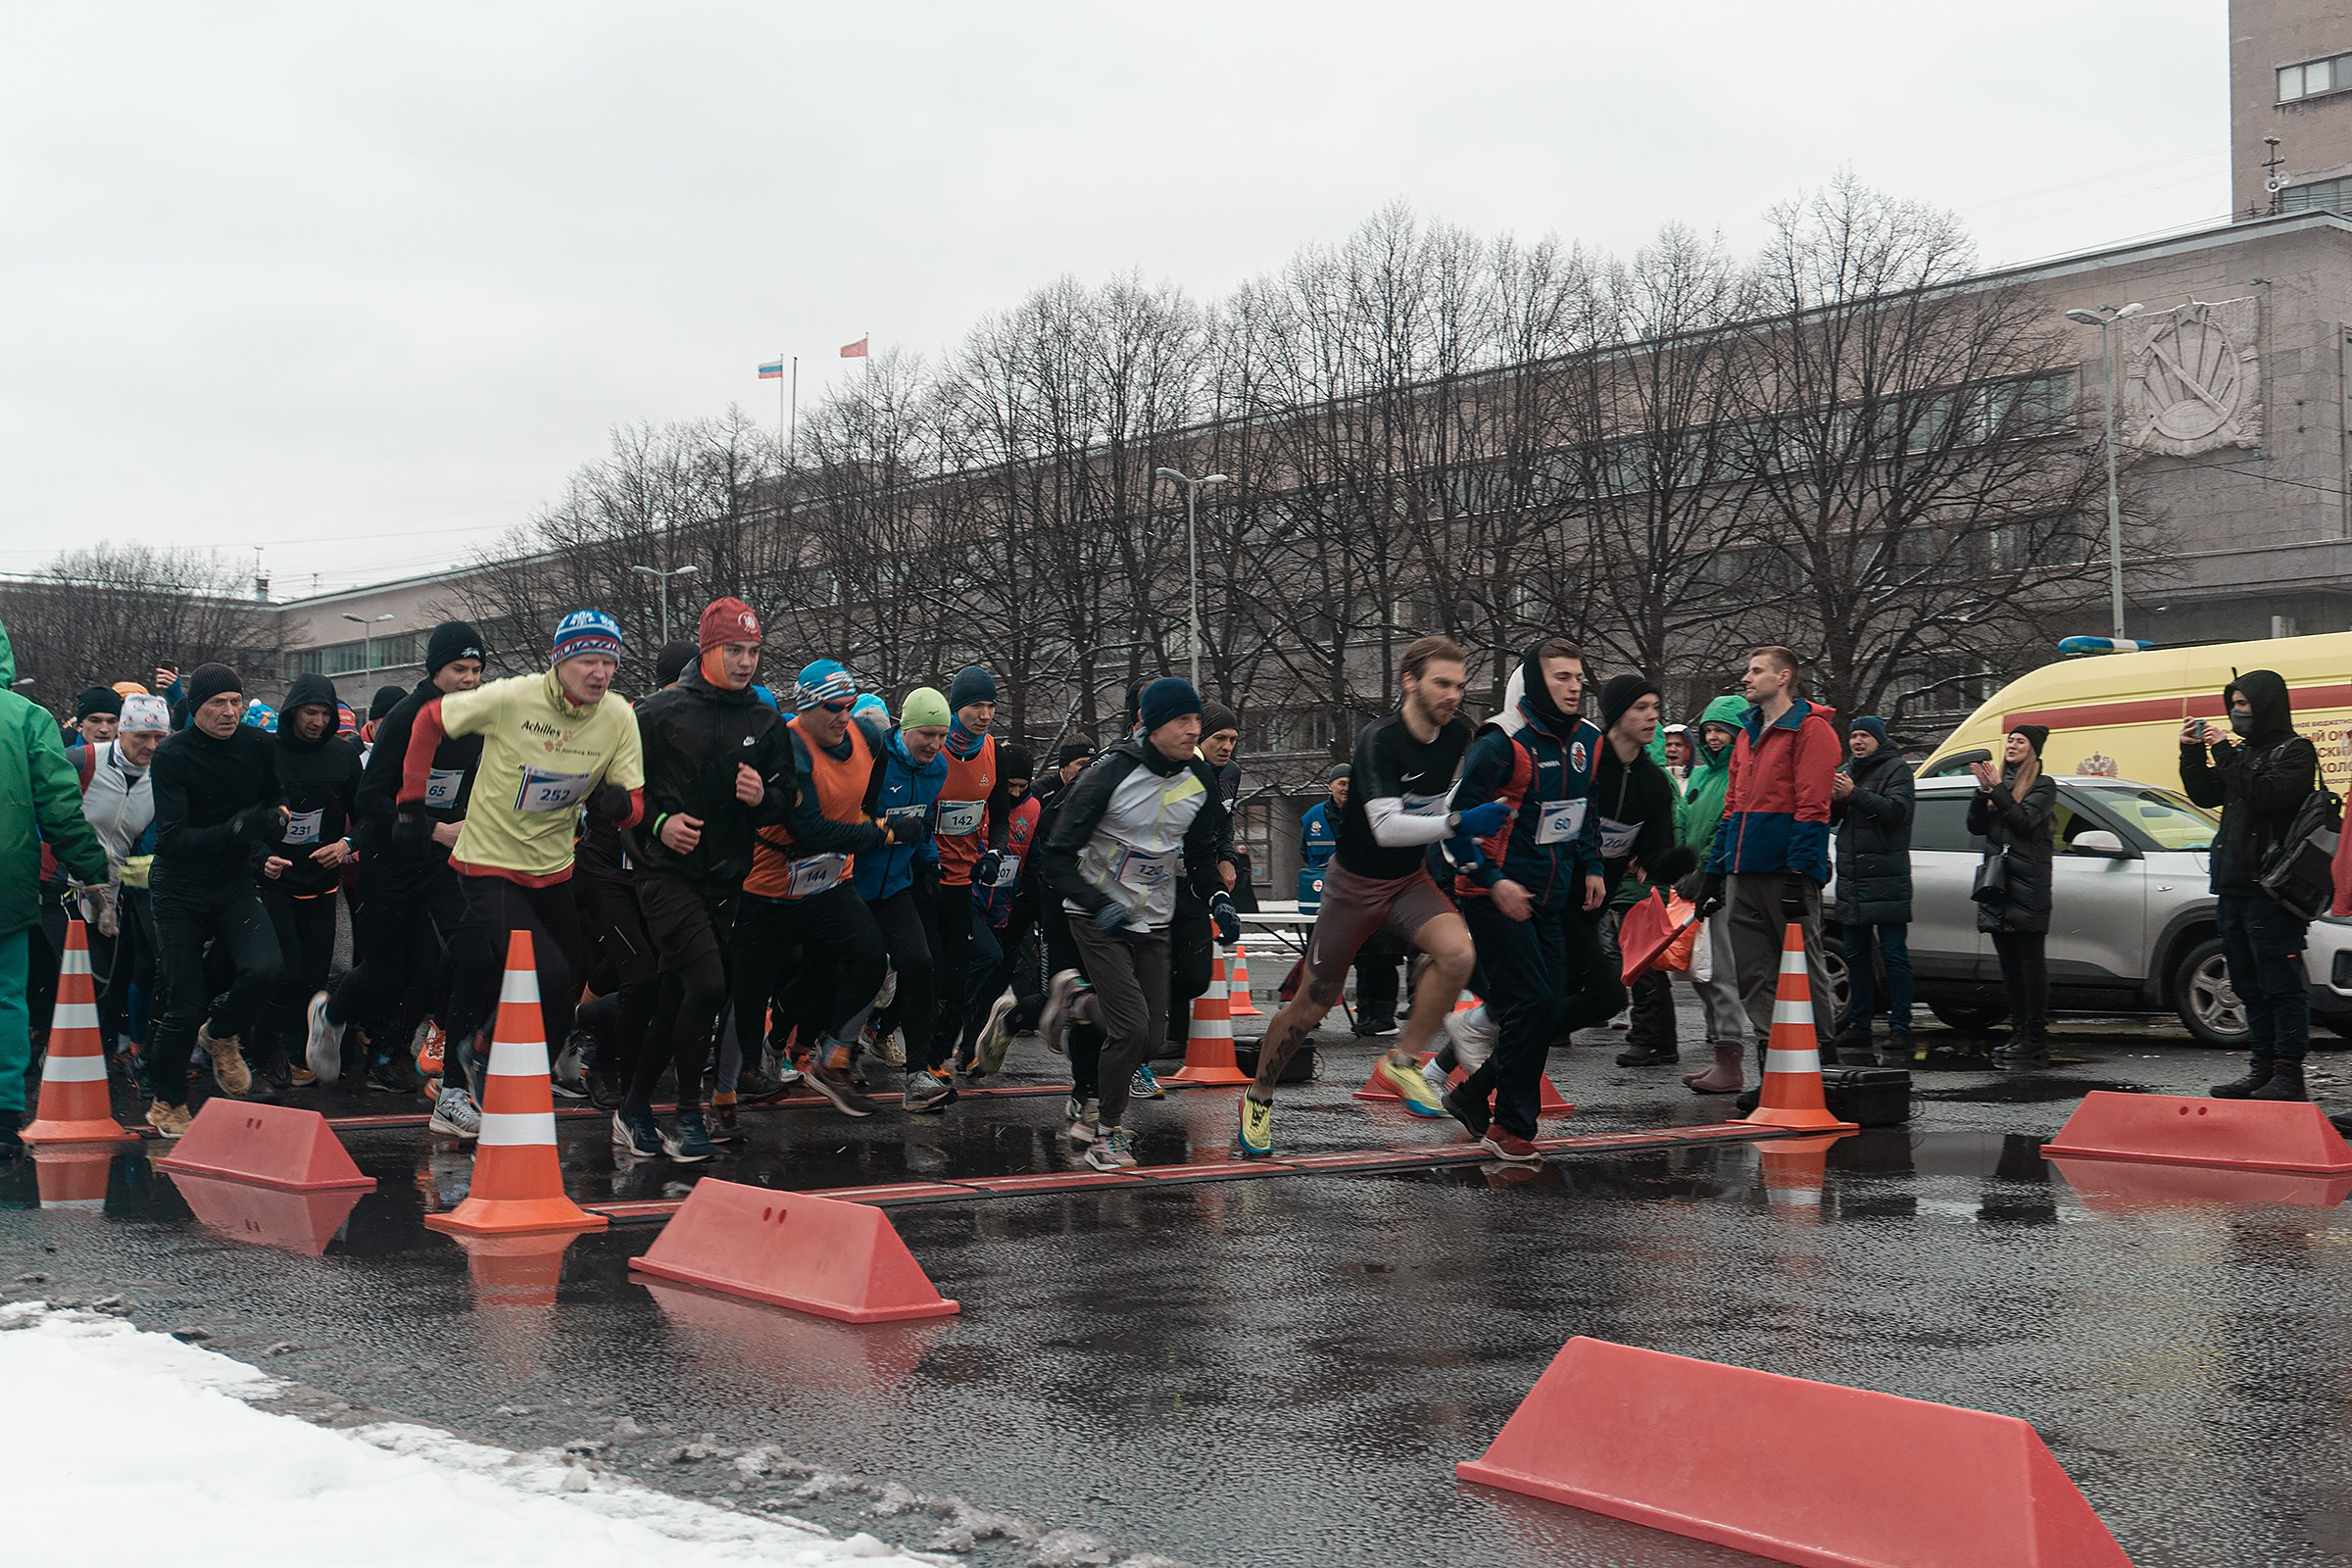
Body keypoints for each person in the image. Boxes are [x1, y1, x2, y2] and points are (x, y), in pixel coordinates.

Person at [395, 610, 644, 1139]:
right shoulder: (512, 698)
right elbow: (428, 720)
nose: (599, 673)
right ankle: (468, 1076)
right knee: (543, 972)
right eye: (587, 660)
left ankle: (485, 1054)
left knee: (565, 987)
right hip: (487, 862)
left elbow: (635, 805)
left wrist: (622, 806)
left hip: (553, 867)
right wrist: (412, 806)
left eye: (609, 662)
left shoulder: (619, 716)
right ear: (560, 661)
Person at [1238, 636, 1485, 1156]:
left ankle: (1402, 1062)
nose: (1453, 695)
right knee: (1315, 1001)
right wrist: (1457, 823)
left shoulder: (1454, 734)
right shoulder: (1379, 740)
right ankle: (1259, 1096)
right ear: (1410, 682)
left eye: (1459, 686)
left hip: (1408, 881)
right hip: (1353, 885)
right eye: (1442, 683)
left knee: (1458, 953)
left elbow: (1433, 805)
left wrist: (1463, 842)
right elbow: (1387, 826)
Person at [612, 599, 796, 1161]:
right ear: (707, 649)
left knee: (677, 997)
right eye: (733, 651)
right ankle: (688, 1116)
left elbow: (789, 800)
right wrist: (661, 824)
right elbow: (615, 798)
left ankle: (634, 1108)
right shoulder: (658, 713)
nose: (745, 663)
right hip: (663, 876)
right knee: (711, 987)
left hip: (725, 880)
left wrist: (764, 798)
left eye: (753, 651)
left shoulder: (764, 719)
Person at [1037, 677, 1235, 1170]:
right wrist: (1095, 902)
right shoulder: (1110, 775)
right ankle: (1107, 1134)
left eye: (1196, 721)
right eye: (1182, 721)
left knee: (1150, 1039)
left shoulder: (1199, 778)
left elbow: (1202, 850)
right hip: (1096, 915)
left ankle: (1079, 1001)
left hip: (1154, 918)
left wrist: (1217, 897)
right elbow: (1056, 857)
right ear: (1150, 724)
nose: (1194, 731)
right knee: (1129, 1030)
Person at [1429, 639, 1604, 1161]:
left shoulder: (1588, 742)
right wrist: (1494, 878)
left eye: (1578, 677)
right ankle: (1511, 1127)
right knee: (1530, 1003)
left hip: (1548, 895)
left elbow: (1584, 806)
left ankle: (1471, 1092)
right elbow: (1453, 825)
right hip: (1491, 894)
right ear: (1533, 682)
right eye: (1561, 677)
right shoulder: (1500, 742)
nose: (1574, 687)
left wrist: (1592, 864)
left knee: (1544, 1010)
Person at [733, 660, 920, 1122]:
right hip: (773, 882)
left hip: (831, 878)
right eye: (834, 708)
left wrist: (874, 823)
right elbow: (809, 828)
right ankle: (743, 1075)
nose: (843, 716)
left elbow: (862, 801)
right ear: (807, 709)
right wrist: (884, 834)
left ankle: (831, 1057)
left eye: (850, 706)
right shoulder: (788, 746)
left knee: (869, 958)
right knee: (752, 987)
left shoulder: (866, 737)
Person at [308, 622, 484, 1096]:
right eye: (458, 669)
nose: (468, 679)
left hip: (443, 860)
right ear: (435, 670)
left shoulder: (474, 720)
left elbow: (466, 789)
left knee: (464, 955)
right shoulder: (409, 717)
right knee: (385, 968)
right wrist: (433, 827)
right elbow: (370, 801)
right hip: (392, 858)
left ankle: (418, 1061)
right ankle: (333, 1014)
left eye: (475, 670)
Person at [1684, 646, 1839, 1095]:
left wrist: (1799, 873)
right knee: (1754, 973)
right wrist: (1714, 873)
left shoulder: (1811, 731)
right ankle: (1775, 1074)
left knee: (1802, 970)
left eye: (1756, 671)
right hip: (1742, 872)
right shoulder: (1749, 733)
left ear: (1784, 677)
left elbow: (1813, 808)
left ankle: (1825, 1068)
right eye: (1747, 671)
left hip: (1784, 872)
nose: (1746, 678)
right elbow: (1732, 810)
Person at [145, 663, 285, 1136]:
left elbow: (275, 803)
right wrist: (237, 830)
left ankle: (222, 1032)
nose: (228, 713)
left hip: (232, 882)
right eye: (216, 705)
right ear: (195, 709)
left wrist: (276, 823)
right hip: (179, 885)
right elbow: (173, 840)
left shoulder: (259, 745)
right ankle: (167, 1101)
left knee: (267, 968)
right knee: (184, 1002)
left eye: (235, 702)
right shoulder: (173, 755)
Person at [2181, 672, 2322, 1099]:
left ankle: (2288, 1074)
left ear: (2267, 706)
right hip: (2233, 885)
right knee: (2246, 983)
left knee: (2280, 982)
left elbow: (2266, 797)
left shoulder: (2295, 752)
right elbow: (2206, 793)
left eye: (2245, 704)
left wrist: (2223, 749)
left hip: (2273, 888)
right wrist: (2191, 752)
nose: (2236, 712)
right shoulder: (2245, 753)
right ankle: (2260, 1067)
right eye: (2234, 703)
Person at [1, 622, 109, 1151]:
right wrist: (92, 870)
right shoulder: (27, 719)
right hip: (8, 882)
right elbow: (60, 808)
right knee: (6, 997)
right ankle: (2, 1120)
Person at [254, 674, 363, 1090]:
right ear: (292, 711)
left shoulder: (343, 756)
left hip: (323, 880)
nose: (317, 721)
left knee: (316, 977)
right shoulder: (268, 752)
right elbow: (245, 811)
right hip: (275, 878)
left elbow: (366, 813)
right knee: (286, 972)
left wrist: (347, 844)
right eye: (309, 712)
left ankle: (301, 1050)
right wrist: (261, 858)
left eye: (324, 713)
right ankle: (264, 1049)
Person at [1587, 674, 1694, 1064]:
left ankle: (1653, 1038)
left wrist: (1673, 862)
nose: (1653, 718)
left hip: (1612, 895)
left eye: (1656, 709)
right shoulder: (1588, 764)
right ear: (1616, 716)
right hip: (1560, 891)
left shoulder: (1653, 781)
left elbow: (1654, 852)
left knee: (1617, 984)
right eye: (1641, 708)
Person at [855, 684, 954, 1109]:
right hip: (852, 884)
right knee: (857, 968)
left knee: (920, 964)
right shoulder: (877, 761)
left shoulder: (938, 770)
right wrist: (889, 831)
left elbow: (925, 821)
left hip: (895, 887)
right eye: (925, 734)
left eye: (940, 735)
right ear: (905, 730)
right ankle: (794, 1043)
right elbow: (850, 818)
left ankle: (916, 1076)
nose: (933, 744)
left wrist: (928, 861)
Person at [67, 692, 169, 1074]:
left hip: (114, 890)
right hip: (65, 882)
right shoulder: (84, 760)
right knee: (81, 975)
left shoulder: (161, 776)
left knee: (110, 979)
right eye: (142, 736)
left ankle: (101, 1052)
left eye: (159, 737)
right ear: (123, 732)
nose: (151, 746)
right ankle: (62, 1053)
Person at [1674, 697, 1760, 1093]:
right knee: (1701, 974)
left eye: (1721, 730)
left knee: (1721, 973)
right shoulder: (1705, 776)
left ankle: (1730, 1058)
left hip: (1719, 886)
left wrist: (1706, 868)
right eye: (1708, 730)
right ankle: (1718, 1053)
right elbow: (1692, 825)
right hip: (1696, 883)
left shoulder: (1737, 774)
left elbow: (1724, 829)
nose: (1712, 737)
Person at [933, 665, 1010, 1073]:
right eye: (975, 706)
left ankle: (952, 1052)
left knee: (984, 960)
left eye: (990, 706)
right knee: (925, 968)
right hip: (925, 877)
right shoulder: (934, 746)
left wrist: (994, 852)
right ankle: (879, 1030)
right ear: (955, 707)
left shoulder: (993, 751)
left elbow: (999, 817)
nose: (984, 715)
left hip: (963, 880)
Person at [1968, 725, 2058, 1069]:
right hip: (1999, 883)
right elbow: (1975, 826)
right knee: (2008, 963)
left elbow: (2024, 821)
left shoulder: (2043, 785)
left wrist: (1996, 790)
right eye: (2010, 741)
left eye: (2020, 741)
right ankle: (2019, 1032)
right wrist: (1981, 793)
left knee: (2030, 960)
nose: (2013, 745)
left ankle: (2035, 1036)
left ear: (2033, 750)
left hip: (2029, 883)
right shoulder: (1998, 785)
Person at [1831, 715, 1916, 1066]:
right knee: (1856, 956)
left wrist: (1855, 794)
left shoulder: (1897, 770)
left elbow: (1897, 812)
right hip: (1852, 878)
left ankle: (1900, 1026)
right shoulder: (1847, 770)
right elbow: (1833, 816)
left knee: (1894, 956)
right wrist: (1836, 796)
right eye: (1853, 736)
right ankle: (1860, 1023)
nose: (1858, 741)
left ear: (1879, 739)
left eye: (1865, 735)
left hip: (1887, 878)